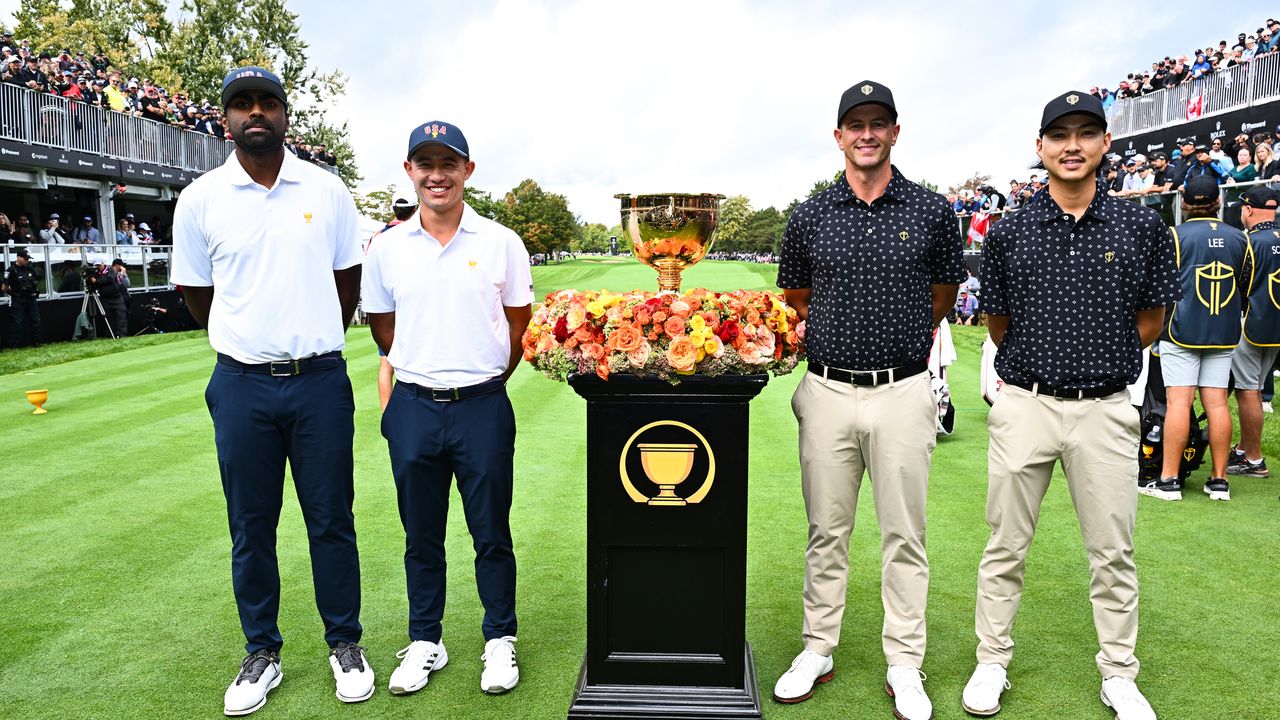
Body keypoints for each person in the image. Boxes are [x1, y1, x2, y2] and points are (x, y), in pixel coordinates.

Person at [966, 90, 1179, 720]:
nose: (1073, 146)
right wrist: (1047, 367)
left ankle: (1119, 673)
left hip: (1106, 407)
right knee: (1005, 545)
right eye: (1060, 136)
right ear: (1041, 148)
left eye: (1087, 133)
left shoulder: (1141, 226)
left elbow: (1150, 318)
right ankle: (991, 661)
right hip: (1026, 403)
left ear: (1105, 144)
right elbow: (999, 322)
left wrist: (1094, 361)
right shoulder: (1011, 230)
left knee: (1112, 551)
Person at [170, 66, 371, 716]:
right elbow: (197, 293)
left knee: (331, 521)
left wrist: (306, 340)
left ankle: (345, 643)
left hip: (318, 382)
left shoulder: (327, 189)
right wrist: (251, 343)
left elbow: (347, 282)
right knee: (250, 526)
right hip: (241, 385)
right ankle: (262, 652)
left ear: (286, 114)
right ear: (225, 119)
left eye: (267, 102)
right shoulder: (201, 197)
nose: (255, 113)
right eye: (241, 105)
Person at [772, 81, 965, 720]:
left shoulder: (932, 211)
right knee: (827, 530)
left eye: (878, 123)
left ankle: (905, 661)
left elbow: (942, 298)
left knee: (904, 533)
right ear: (839, 135)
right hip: (826, 388)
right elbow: (796, 299)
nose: (866, 134)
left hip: (904, 389)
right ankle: (817, 647)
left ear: (895, 132)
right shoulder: (812, 214)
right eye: (855, 124)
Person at [362, 121, 533, 697]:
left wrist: (480, 379)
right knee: (421, 536)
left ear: (468, 171)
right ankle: (425, 641)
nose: (437, 175)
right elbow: (384, 332)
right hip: (413, 406)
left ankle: (499, 640)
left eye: (449, 163)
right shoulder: (386, 247)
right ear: (409, 171)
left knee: (491, 532)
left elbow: (518, 326)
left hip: (482, 405)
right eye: (425, 164)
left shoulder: (501, 242)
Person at [1140, 176, 1250, 503]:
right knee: (1217, 404)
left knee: (1178, 403)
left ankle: (1169, 480)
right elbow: (1244, 286)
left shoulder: (1173, 235)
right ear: (1218, 201)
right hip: (1223, 333)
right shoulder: (1239, 238)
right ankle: (1219, 481)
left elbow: (1158, 286)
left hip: (1180, 331)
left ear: (1185, 202)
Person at [1228, 186, 1280, 479]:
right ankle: (1244, 449)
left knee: (1248, 392)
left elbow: (1240, 285)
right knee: (1255, 389)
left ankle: (1253, 459)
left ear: (1248, 210)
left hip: (1250, 324)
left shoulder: (1249, 242)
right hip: (1275, 325)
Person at [373, 195, 419, 410]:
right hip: (411, 307)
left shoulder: (379, 236)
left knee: (386, 364)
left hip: (387, 308)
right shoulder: (417, 235)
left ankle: (387, 412)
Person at [3, 248, 42, 347]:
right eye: (25, 258)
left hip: (31, 299)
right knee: (17, 323)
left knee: (35, 321)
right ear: (18, 257)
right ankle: (15, 346)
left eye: (27, 258)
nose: (26, 260)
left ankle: (37, 343)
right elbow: (4, 288)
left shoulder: (30, 268)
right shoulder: (10, 270)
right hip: (18, 300)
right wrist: (14, 294)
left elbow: (37, 280)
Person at [84, 257, 127, 336]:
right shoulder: (96, 274)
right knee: (109, 318)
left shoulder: (111, 270)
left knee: (121, 317)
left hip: (116, 297)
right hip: (105, 298)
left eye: (99, 265)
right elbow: (94, 285)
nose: (98, 266)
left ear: (103, 263)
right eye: (96, 265)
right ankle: (111, 335)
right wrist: (89, 278)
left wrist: (96, 281)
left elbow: (109, 279)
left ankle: (121, 335)